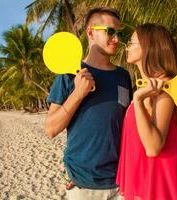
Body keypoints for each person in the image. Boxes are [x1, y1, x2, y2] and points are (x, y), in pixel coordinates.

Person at [45, 7, 132, 200]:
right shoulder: (68, 75)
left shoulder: (123, 76)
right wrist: (78, 93)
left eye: (119, 33)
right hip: (81, 183)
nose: (117, 39)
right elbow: (50, 129)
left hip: (121, 181)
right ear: (91, 32)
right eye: (110, 31)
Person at [116, 23, 177, 200]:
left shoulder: (164, 89)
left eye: (131, 42)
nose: (126, 46)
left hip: (155, 188)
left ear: (147, 47)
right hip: (141, 186)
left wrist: (137, 100)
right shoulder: (149, 87)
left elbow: (153, 148)